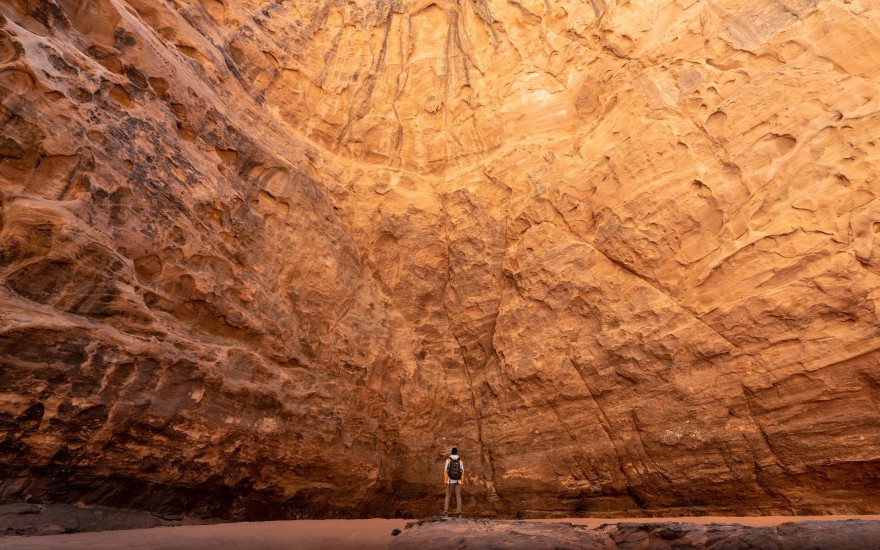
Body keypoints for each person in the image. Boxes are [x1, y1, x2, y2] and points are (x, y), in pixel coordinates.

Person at [443, 447, 464, 517]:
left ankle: (445, 512)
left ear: (451, 452)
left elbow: (446, 471)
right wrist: (462, 482)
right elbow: (462, 472)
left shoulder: (448, 460)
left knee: (448, 495)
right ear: (457, 452)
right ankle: (459, 513)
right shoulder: (460, 460)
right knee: (458, 496)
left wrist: (445, 481)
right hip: (458, 481)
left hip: (450, 481)